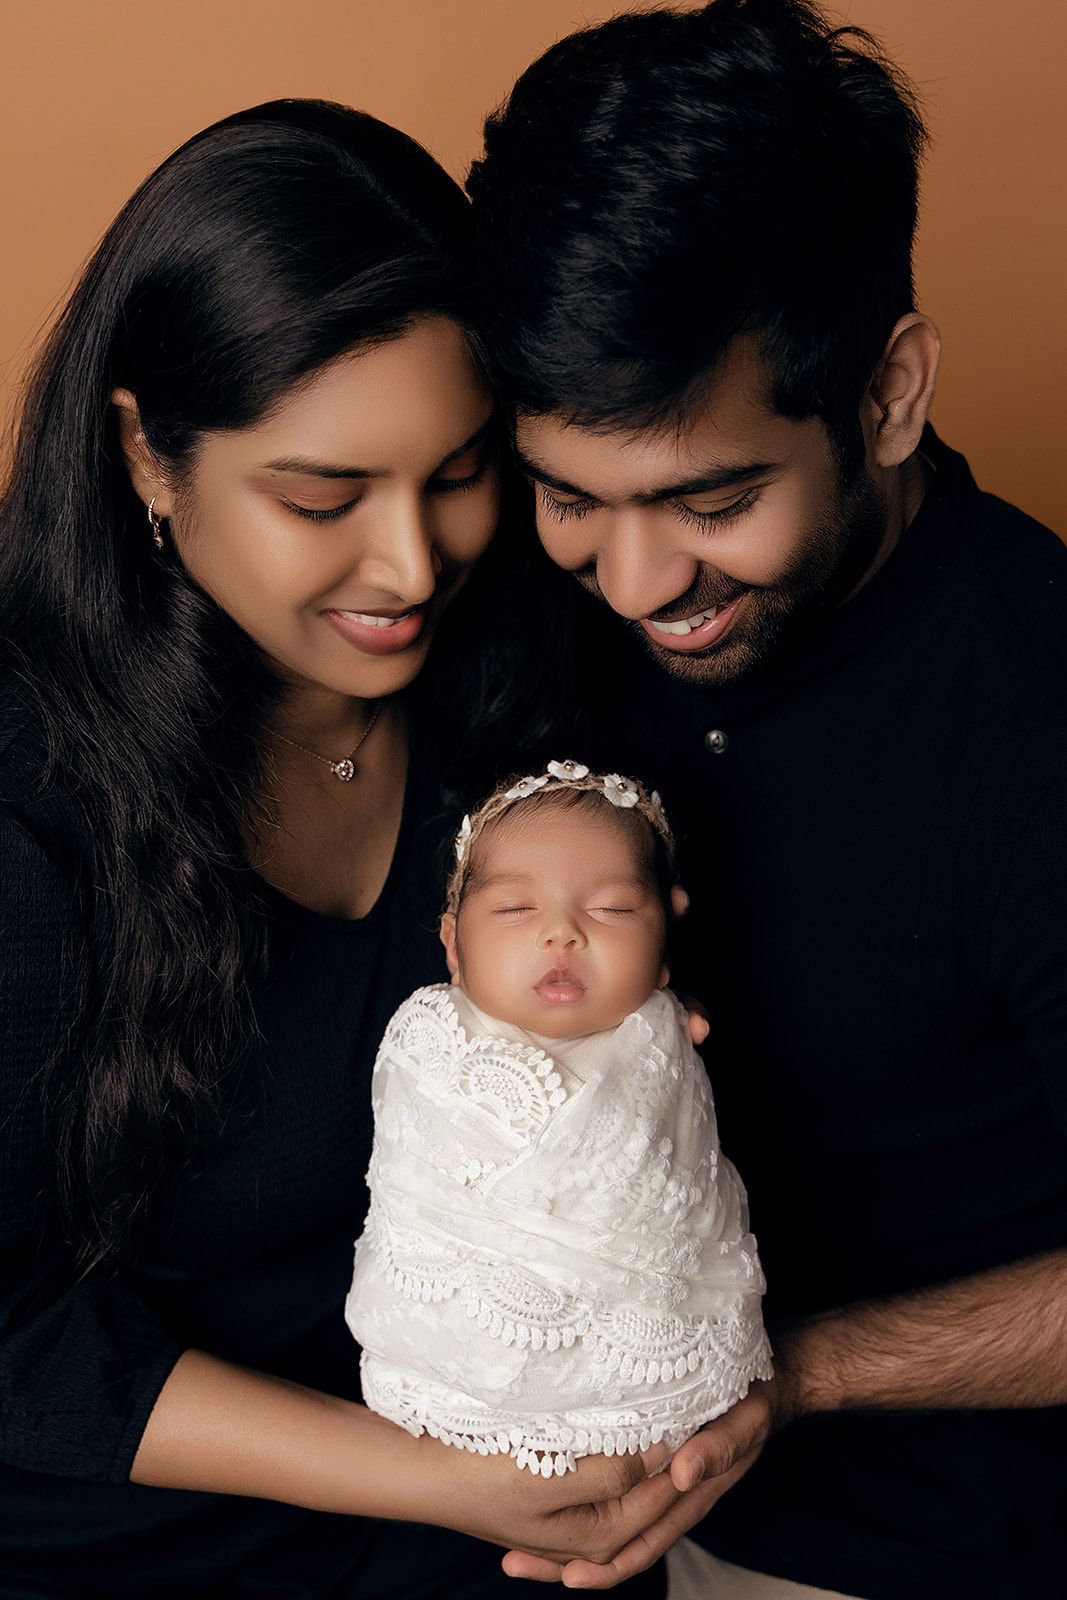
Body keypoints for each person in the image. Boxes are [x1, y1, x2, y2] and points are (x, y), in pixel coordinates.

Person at [0, 98, 699, 1599]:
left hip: (492, 1522)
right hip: (143, 1553)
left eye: (457, 473)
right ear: (145, 457)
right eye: (321, 498)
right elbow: (11, 1339)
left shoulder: (530, 676)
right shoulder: (28, 796)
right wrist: (439, 1480)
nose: (411, 563)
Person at [465, 2, 1067, 1596]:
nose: (634, 582)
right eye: (567, 497)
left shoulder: (1031, 711)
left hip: (926, 1554)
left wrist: (791, 1376)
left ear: (887, 393)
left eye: (710, 501)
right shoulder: (515, 605)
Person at [346, 763, 772, 1476]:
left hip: (649, 1379)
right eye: (516, 909)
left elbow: (683, 1206)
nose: (561, 933)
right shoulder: (430, 1040)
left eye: (612, 909)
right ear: (452, 946)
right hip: (446, 1378)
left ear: (663, 952)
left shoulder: (660, 1044)